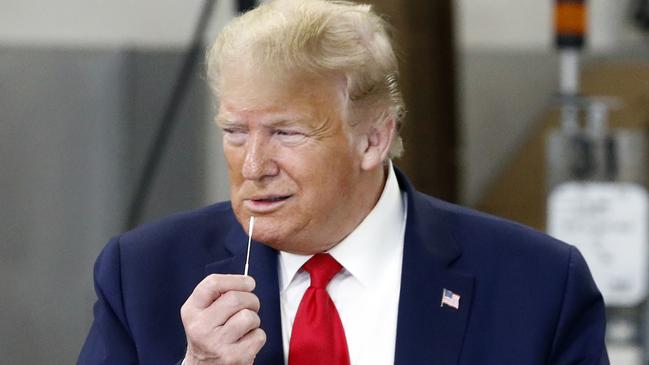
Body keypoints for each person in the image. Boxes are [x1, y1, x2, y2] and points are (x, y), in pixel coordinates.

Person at [78, 0, 609, 364]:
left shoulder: (538, 285)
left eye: (286, 132)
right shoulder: (143, 275)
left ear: (373, 140)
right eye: (236, 132)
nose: (254, 164)